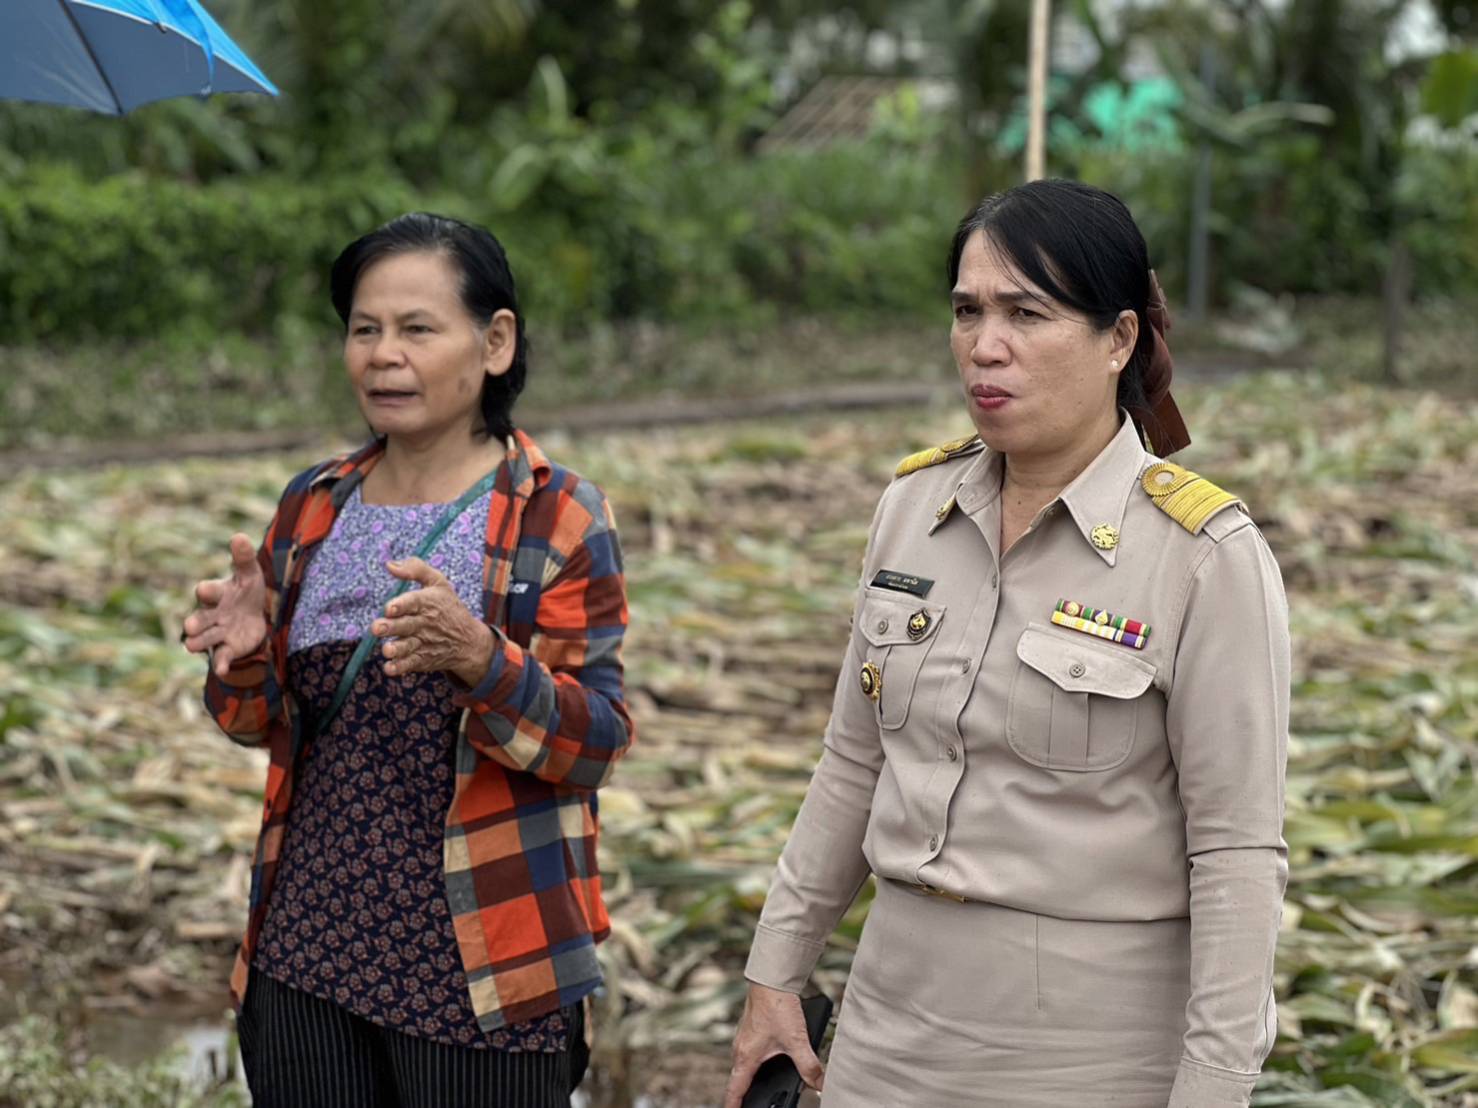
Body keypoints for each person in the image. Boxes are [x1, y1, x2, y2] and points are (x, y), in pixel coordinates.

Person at [724, 179, 1289, 1108]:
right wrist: (776, 972)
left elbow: (1237, 854)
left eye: (1026, 314)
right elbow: (854, 762)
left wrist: (1214, 1087)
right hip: (887, 1035)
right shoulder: (913, 509)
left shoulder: (1201, 557)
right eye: (967, 312)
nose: (986, 347)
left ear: (1119, 339)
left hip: (1087, 1058)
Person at [183, 212, 633, 1108]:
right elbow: (257, 725)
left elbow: (596, 743)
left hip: (483, 971)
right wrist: (241, 662)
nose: (384, 355)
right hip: (306, 953)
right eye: (365, 329)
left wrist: (482, 659)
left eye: (418, 329)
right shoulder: (315, 504)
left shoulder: (559, 518)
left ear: (495, 342)